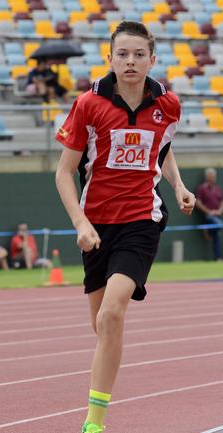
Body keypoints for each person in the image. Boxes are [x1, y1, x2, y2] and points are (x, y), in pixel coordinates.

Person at [55, 21, 196, 433]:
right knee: (99, 325)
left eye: (139, 54)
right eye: (123, 54)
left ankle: (94, 423)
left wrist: (179, 185)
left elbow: (161, 150)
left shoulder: (168, 104)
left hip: (141, 218)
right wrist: (80, 222)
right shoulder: (89, 104)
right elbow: (64, 173)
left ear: (152, 59)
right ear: (111, 58)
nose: (130, 61)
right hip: (96, 225)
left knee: (113, 313)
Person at [195, 167, 223, 260]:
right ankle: (207, 227)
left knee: (216, 237)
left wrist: (219, 211)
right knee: (218, 225)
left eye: (213, 175)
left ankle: (218, 257)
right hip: (208, 216)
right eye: (210, 175)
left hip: (217, 215)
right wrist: (209, 211)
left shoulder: (218, 188)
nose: (212, 177)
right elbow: (198, 203)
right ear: (206, 176)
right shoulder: (201, 188)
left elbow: (222, 201)